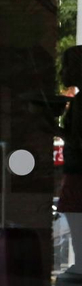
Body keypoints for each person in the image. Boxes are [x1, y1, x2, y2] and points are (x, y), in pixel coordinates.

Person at [56, 45, 82, 271]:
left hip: (78, 175)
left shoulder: (80, 103)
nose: (62, 73)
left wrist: (50, 126)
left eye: (66, 67)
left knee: (77, 224)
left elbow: (78, 141)